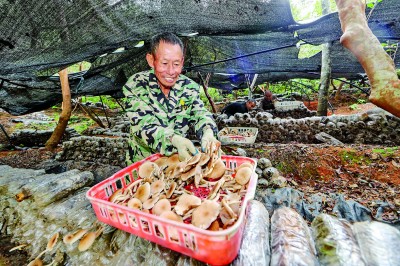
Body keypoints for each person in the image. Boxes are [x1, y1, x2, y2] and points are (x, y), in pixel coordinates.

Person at [122, 32, 220, 165]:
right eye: (164, 63)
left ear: (182, 62)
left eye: (176, 64)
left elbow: (200, 114)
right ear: (151, 60)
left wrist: (208, 131)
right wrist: (173, 139)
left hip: (178, 164)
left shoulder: (188, 87)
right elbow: (144, 125)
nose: (171, 71)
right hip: (144, 166)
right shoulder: (137, 85)